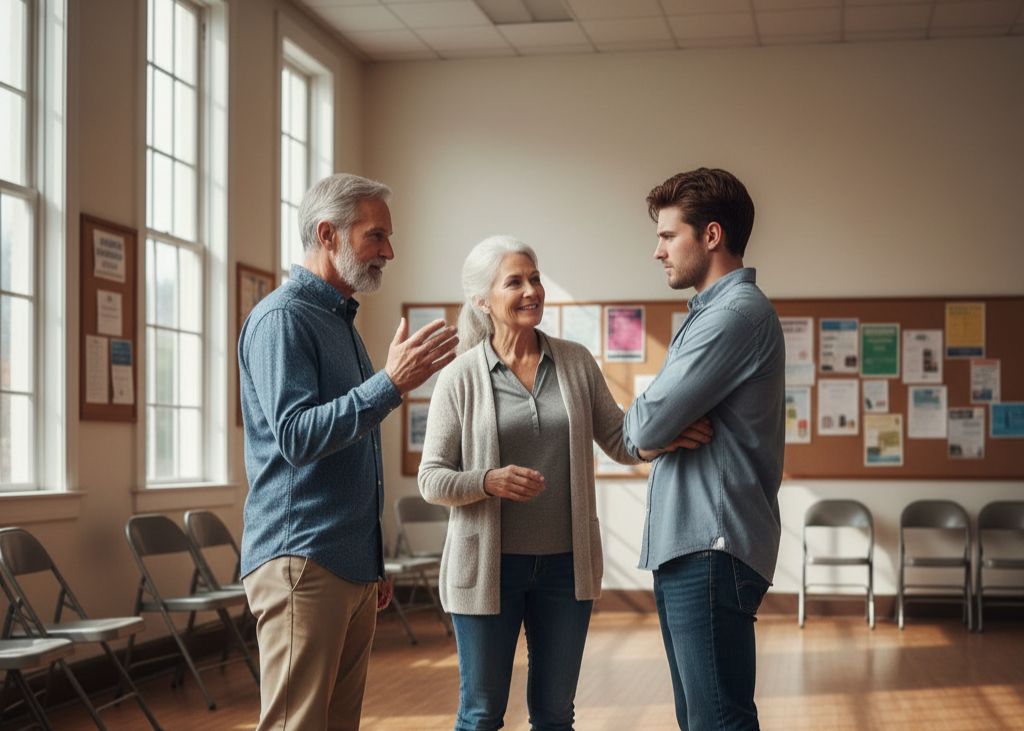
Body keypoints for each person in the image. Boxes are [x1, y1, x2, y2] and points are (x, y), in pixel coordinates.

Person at [418, 235, 713, 731]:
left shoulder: (575, 362)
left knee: (556, 716)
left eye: (535, 278)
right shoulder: (460, 378)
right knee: (481, 714)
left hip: (564, 570)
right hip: (488, 570)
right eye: (515, 281)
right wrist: (487, 481)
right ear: (482, 300)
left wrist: (666, 432)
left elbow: (620, 441)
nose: (532, 290)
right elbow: (432, 479)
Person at [238, 173, 459, 731]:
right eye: (376, 236)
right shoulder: (283, 319)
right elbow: (297, 438)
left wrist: (372, 560)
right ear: (327, 234)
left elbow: (354, 449)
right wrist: (389, 383)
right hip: (302, 559)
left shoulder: (342, 321)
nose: (389, 251)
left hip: (348, 565)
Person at [622, 168, 786, 731]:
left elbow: (642, 426)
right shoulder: (709, 314)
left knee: (717, 721)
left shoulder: (734, 315)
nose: (658, 251)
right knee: (701, 719)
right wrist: (653, 430)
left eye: (669, 236)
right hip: (690, 547)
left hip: (710, 549)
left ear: (711, 236)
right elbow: (645, 431)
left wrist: (653, 431)